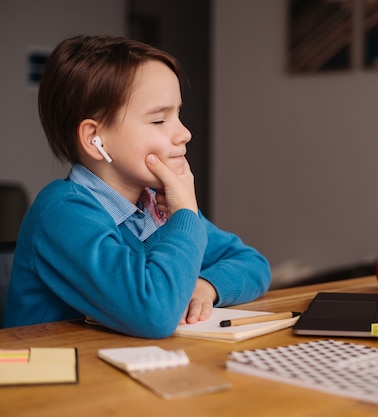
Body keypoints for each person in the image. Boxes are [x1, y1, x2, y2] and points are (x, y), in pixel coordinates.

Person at [3, 35, 271, 338]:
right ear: (95, 139)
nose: (184, 133)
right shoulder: (62, 214)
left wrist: (206, 286)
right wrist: (185, 212)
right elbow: (153, 313)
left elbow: (254, 264)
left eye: (178, 114)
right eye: (159, 120)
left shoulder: (153, 206)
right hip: (51, 382)